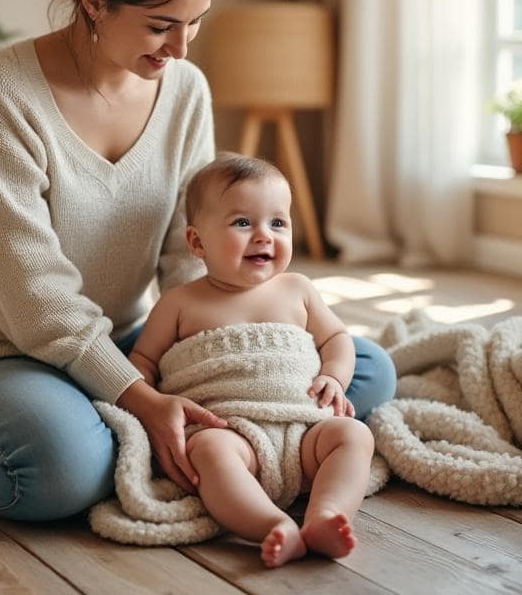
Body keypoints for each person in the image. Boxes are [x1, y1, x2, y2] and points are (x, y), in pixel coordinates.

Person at [0, 0, 397, 524]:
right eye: (160, 26)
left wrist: (215, 364)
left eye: (195, 24)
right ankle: (89, 428)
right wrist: (142, 400)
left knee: (365, 368)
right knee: (58, 470)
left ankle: (147, 430)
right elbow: (33, 299)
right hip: (3, 356)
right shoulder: (1, 92)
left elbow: (189, 251)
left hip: (131, 345)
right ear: (93, 3)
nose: (180, 50)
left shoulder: (185, 90)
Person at [124, 153, 375, 566]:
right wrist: (147, 404)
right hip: (233, 433)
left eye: (278, 223)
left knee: (354, 436)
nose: (264, 236)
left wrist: (334, 375)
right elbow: (143, 362)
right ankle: (271, 525)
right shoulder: (178, 303)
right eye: (243, 223)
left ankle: (326, 515)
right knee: (209, 453)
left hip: (304, 430)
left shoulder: (298, 289)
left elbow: (336, 338)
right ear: (197, 242)